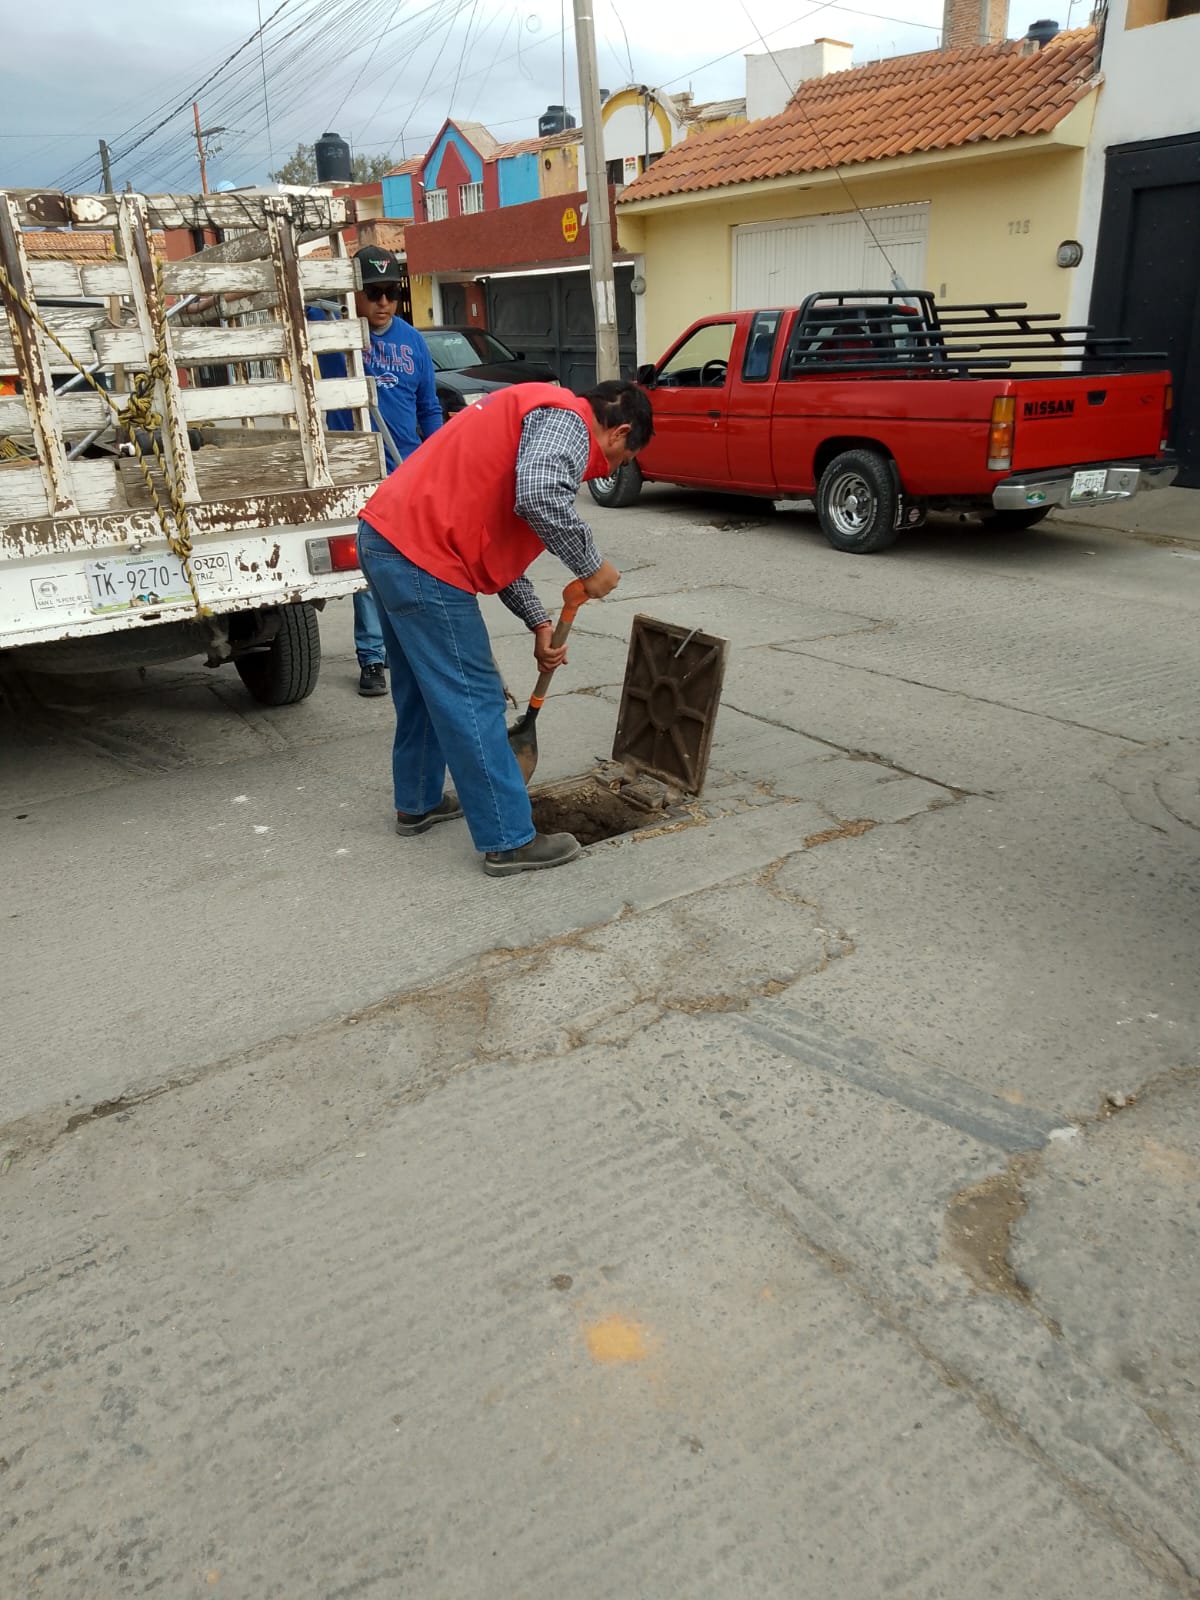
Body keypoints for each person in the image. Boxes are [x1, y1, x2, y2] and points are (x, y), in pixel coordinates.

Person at [357, 378, 654, 877]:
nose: (609, 469)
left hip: (388, 538)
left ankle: (418, 801)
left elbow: (491, 532)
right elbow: (539, 496)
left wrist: (537, 620)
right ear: (620, 433)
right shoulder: (567, 419)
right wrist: (590, 565)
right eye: (622, 459)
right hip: (423, 557)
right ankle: (508, 838)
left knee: (421, 688)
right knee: (473, 697)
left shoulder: (533, 411)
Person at [309, 245, 443, 696]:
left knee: (414, 565)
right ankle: (372, 657)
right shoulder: (332, 335)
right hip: (355, 471)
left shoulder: (413, 342)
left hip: (406, 470)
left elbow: (428, 408)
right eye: (373, 291)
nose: (383, 301)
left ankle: (414, 651)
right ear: (356, 294)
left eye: (390, 292)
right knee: (368, 568)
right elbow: (297, 301)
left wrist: (435, 460)